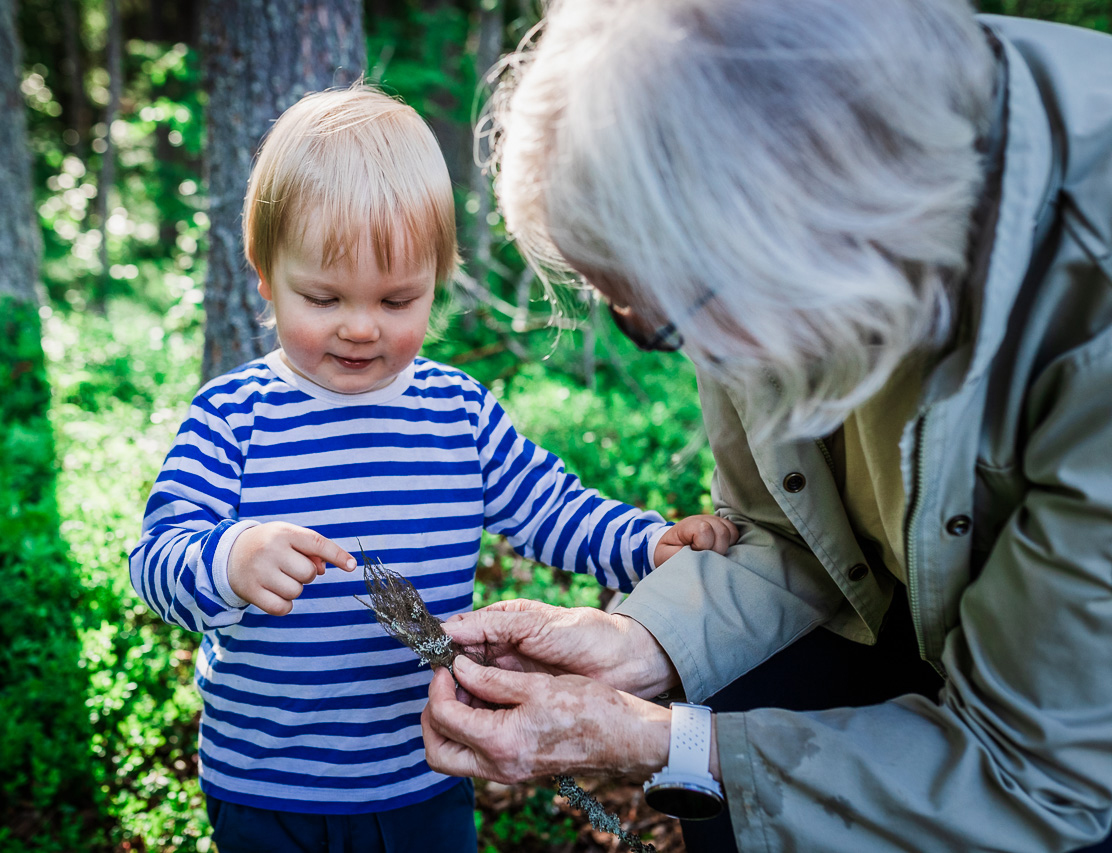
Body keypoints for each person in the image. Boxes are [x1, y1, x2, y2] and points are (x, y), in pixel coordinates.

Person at [421, 1, 1112, 851]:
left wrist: (651, 739)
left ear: (805, 234)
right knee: (732, 715)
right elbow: (786, 533)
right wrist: (639, 643)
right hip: (925, 622)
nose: (678, 351)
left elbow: (1039, 776)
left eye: (658, 324)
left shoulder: (1094, 310)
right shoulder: (758, 246)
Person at [128, 84, 738, 853]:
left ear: (436, 282)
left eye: (396, 298)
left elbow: (553, 508)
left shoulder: (458, 412)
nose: (359, 326)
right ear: (263, 273)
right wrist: (226, 558)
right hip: (266, 784)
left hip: (423, 771)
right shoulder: (232, 416)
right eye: (322, 296)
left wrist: (647, 545)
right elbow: (155, 558)